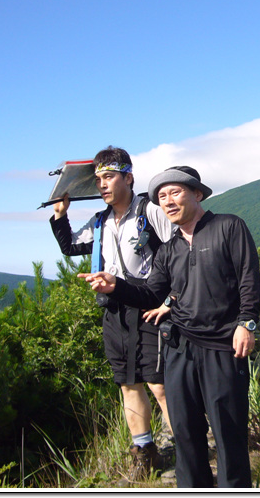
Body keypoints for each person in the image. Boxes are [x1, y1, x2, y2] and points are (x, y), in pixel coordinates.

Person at [79, 166, 260, 488]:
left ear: (197, 194)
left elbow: (248, 277)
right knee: (185, 431)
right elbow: (151, 293)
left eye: (174, 192)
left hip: (223, 345)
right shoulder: (169, 249)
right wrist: (115, 286)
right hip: (179, 347)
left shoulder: (228, 227)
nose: (167, 201)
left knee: (227, 431)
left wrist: (246, 323)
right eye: (161, 197)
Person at [49, 146, 175, 479]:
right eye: (99, 179)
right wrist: (61, 214)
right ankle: (145, 450)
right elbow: (71, 246)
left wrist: (172, 299)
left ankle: (187, 444)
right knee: (128, 383)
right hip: (115, 311)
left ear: (128, 178)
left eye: (109, 177)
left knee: (159, 383)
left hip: (151, 307)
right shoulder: (100, 221)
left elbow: (179, 251)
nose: (102, 184)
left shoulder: (150, 211)